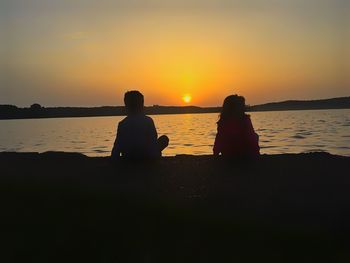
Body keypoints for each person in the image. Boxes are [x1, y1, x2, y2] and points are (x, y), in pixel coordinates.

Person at [111, 91, 169, 159]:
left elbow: (117, 146)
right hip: (146, 157)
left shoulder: (122, 123)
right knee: (164, 139)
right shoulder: (148, 121)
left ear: (126, 105)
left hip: (129, 157)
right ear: (141, 105)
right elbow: (152, 141)